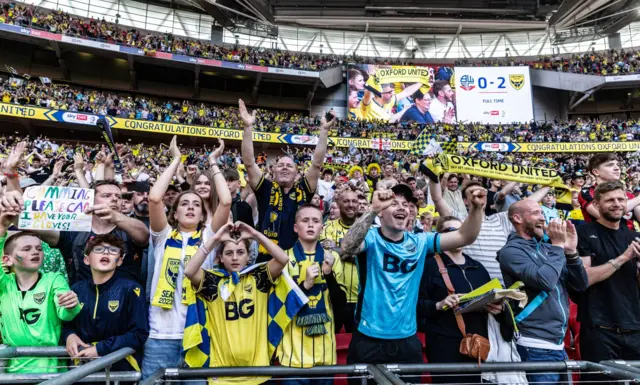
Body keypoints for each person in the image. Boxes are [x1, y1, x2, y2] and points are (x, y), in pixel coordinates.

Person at [340, 183, 486, 374]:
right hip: (368, 337)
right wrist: (373, 209)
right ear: (381, 214)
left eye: (406, 204)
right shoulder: (371, 238)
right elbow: (348, 247)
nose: (402, 207)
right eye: (393, 203)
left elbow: (464, 236)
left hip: (407, 339)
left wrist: (476, 208)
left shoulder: (420, 241)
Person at [142, 136, 230, 380]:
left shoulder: (209, 238)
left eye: (196, 205)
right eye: (184, 204)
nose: (190, 207)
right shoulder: (162, 236)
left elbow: (225, 200)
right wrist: (176, 160)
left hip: (199, 334)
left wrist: (213, 163)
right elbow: (154, 198)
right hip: (160, 336)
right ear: (175, 212)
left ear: (203, 215)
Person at [183, 221, 295, 385]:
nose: (235, 257)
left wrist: (255, 235)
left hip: (258, 373)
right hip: (222, 375)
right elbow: (189, 271)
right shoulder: (213, 281)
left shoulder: (258, 277)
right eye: (229, 253)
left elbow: (283, 258)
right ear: (220, 257)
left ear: (248, 255)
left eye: (240, 252)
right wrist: (215, 239)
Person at [497, 201, 588, 385]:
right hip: (534, 345)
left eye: (543, 213)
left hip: (559, 344)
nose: (542, 218)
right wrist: (557, 246)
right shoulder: (510, 251)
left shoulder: (548, 248)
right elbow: (545, 281)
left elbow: (580, 286)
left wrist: (570, 252)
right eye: (536, 213)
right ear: (517, 218)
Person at [4, 179, 150, 284]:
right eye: (106, 196)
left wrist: (115, 217)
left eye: (118, 197)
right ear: (90, 201)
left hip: (126, 309)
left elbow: (143, 235)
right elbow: (22, 221)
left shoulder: (129, 229)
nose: (114, 200)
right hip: (79, 307)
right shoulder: (73, 232)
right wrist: (11, 184)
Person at [239, 99, 334, 262]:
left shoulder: (304, 189)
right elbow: (248, 162)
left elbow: (317, 164)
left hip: (298, 260)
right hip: (266, 260)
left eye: (289, 166)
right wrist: (248, 127)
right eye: (280, 165)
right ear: (273, 171)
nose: (284, 168)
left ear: (297, 173)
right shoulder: (265, 188)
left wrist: (324, 131)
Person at [417, 216, 502, 384]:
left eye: (462, 229)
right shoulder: (428, 265)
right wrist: (438, 305)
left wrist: (498, 308)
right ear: (439, 236)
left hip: (479, 342)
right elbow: (414, 304)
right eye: (451, 231)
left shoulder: (478, 267)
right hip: (444, 343)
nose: (459, 234)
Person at [429, 176, 551, 282]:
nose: (479, 195)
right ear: (465, 201)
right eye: (472, 192)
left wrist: (551, 183)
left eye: (482, 192)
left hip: (502, 288)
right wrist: (433, 174)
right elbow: (437, 199)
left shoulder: (501, 219)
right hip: (473, 285)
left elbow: (528, 204)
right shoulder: (459, 220)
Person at [576, 182, 640, 375]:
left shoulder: (634, 236)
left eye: (621, 199)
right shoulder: (583, 233)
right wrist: (624, 258)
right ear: (596, 204)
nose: (617, 204)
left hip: (634, 326)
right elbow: (582, 278)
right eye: (610, 200)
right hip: (599, 328)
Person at [278, 205, 346, 384]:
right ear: (295, 227)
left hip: (324, 354)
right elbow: (280, 307)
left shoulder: (333, 258)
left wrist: (329, 275)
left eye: (316, 221)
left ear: (321, 228)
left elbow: (341, 304)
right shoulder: (283, 259)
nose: (310, 225)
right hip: (293, 356)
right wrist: (306, 285)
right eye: (305, 220)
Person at [62, 234, 149, 372]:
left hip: (120, 370)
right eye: (98, 249)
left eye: (113, 250)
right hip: (82, 369)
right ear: (86, 259)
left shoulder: (131, 289)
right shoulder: (76, 289)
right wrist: (69, 336)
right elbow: (66, 323)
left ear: (119, 261)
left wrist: (100, 349)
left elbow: (139, 334)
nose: (106, 252)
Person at [0, 230, 80, 373]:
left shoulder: (54, 279)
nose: (35, 252)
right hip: (12, 371)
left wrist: (71, 305)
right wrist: (2, 227)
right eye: (26, 249)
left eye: (39, 248)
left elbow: (65, 315)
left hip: (50, 370)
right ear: (7, 260)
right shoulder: (4, 285)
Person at [320, 189, 359, 333]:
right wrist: (355, 255)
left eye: (354, 201)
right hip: (333, 298)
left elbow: (367, 257)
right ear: (338, 204)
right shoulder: (328, 227)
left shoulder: (369, 229)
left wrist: (337, 249)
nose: (351, 205)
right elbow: (326, 254)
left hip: (359, 299)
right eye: (346, 201)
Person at [580, 153, 640, 230]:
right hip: (601, 239)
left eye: (617, 165)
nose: (617, 168)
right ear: (596, 172)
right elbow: (603, 215)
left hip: (631, 239)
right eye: (610, 165)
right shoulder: (587, 192)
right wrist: (638, 199)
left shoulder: (629, 195)